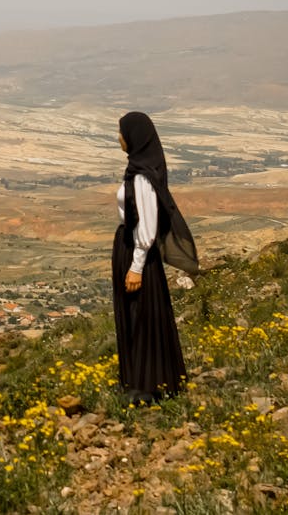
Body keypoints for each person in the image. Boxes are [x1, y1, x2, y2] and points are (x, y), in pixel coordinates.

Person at [112, 111, 193, 404]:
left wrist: (135, 266)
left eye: (121, 132)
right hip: (132, 250)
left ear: (134, 137)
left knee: (140, 315)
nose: (118, 137)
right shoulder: (138, 170)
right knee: (137, 315)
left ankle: (147, 387)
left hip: (137, 254)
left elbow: (147, 226)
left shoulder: (143, 178)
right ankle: (142, 379)